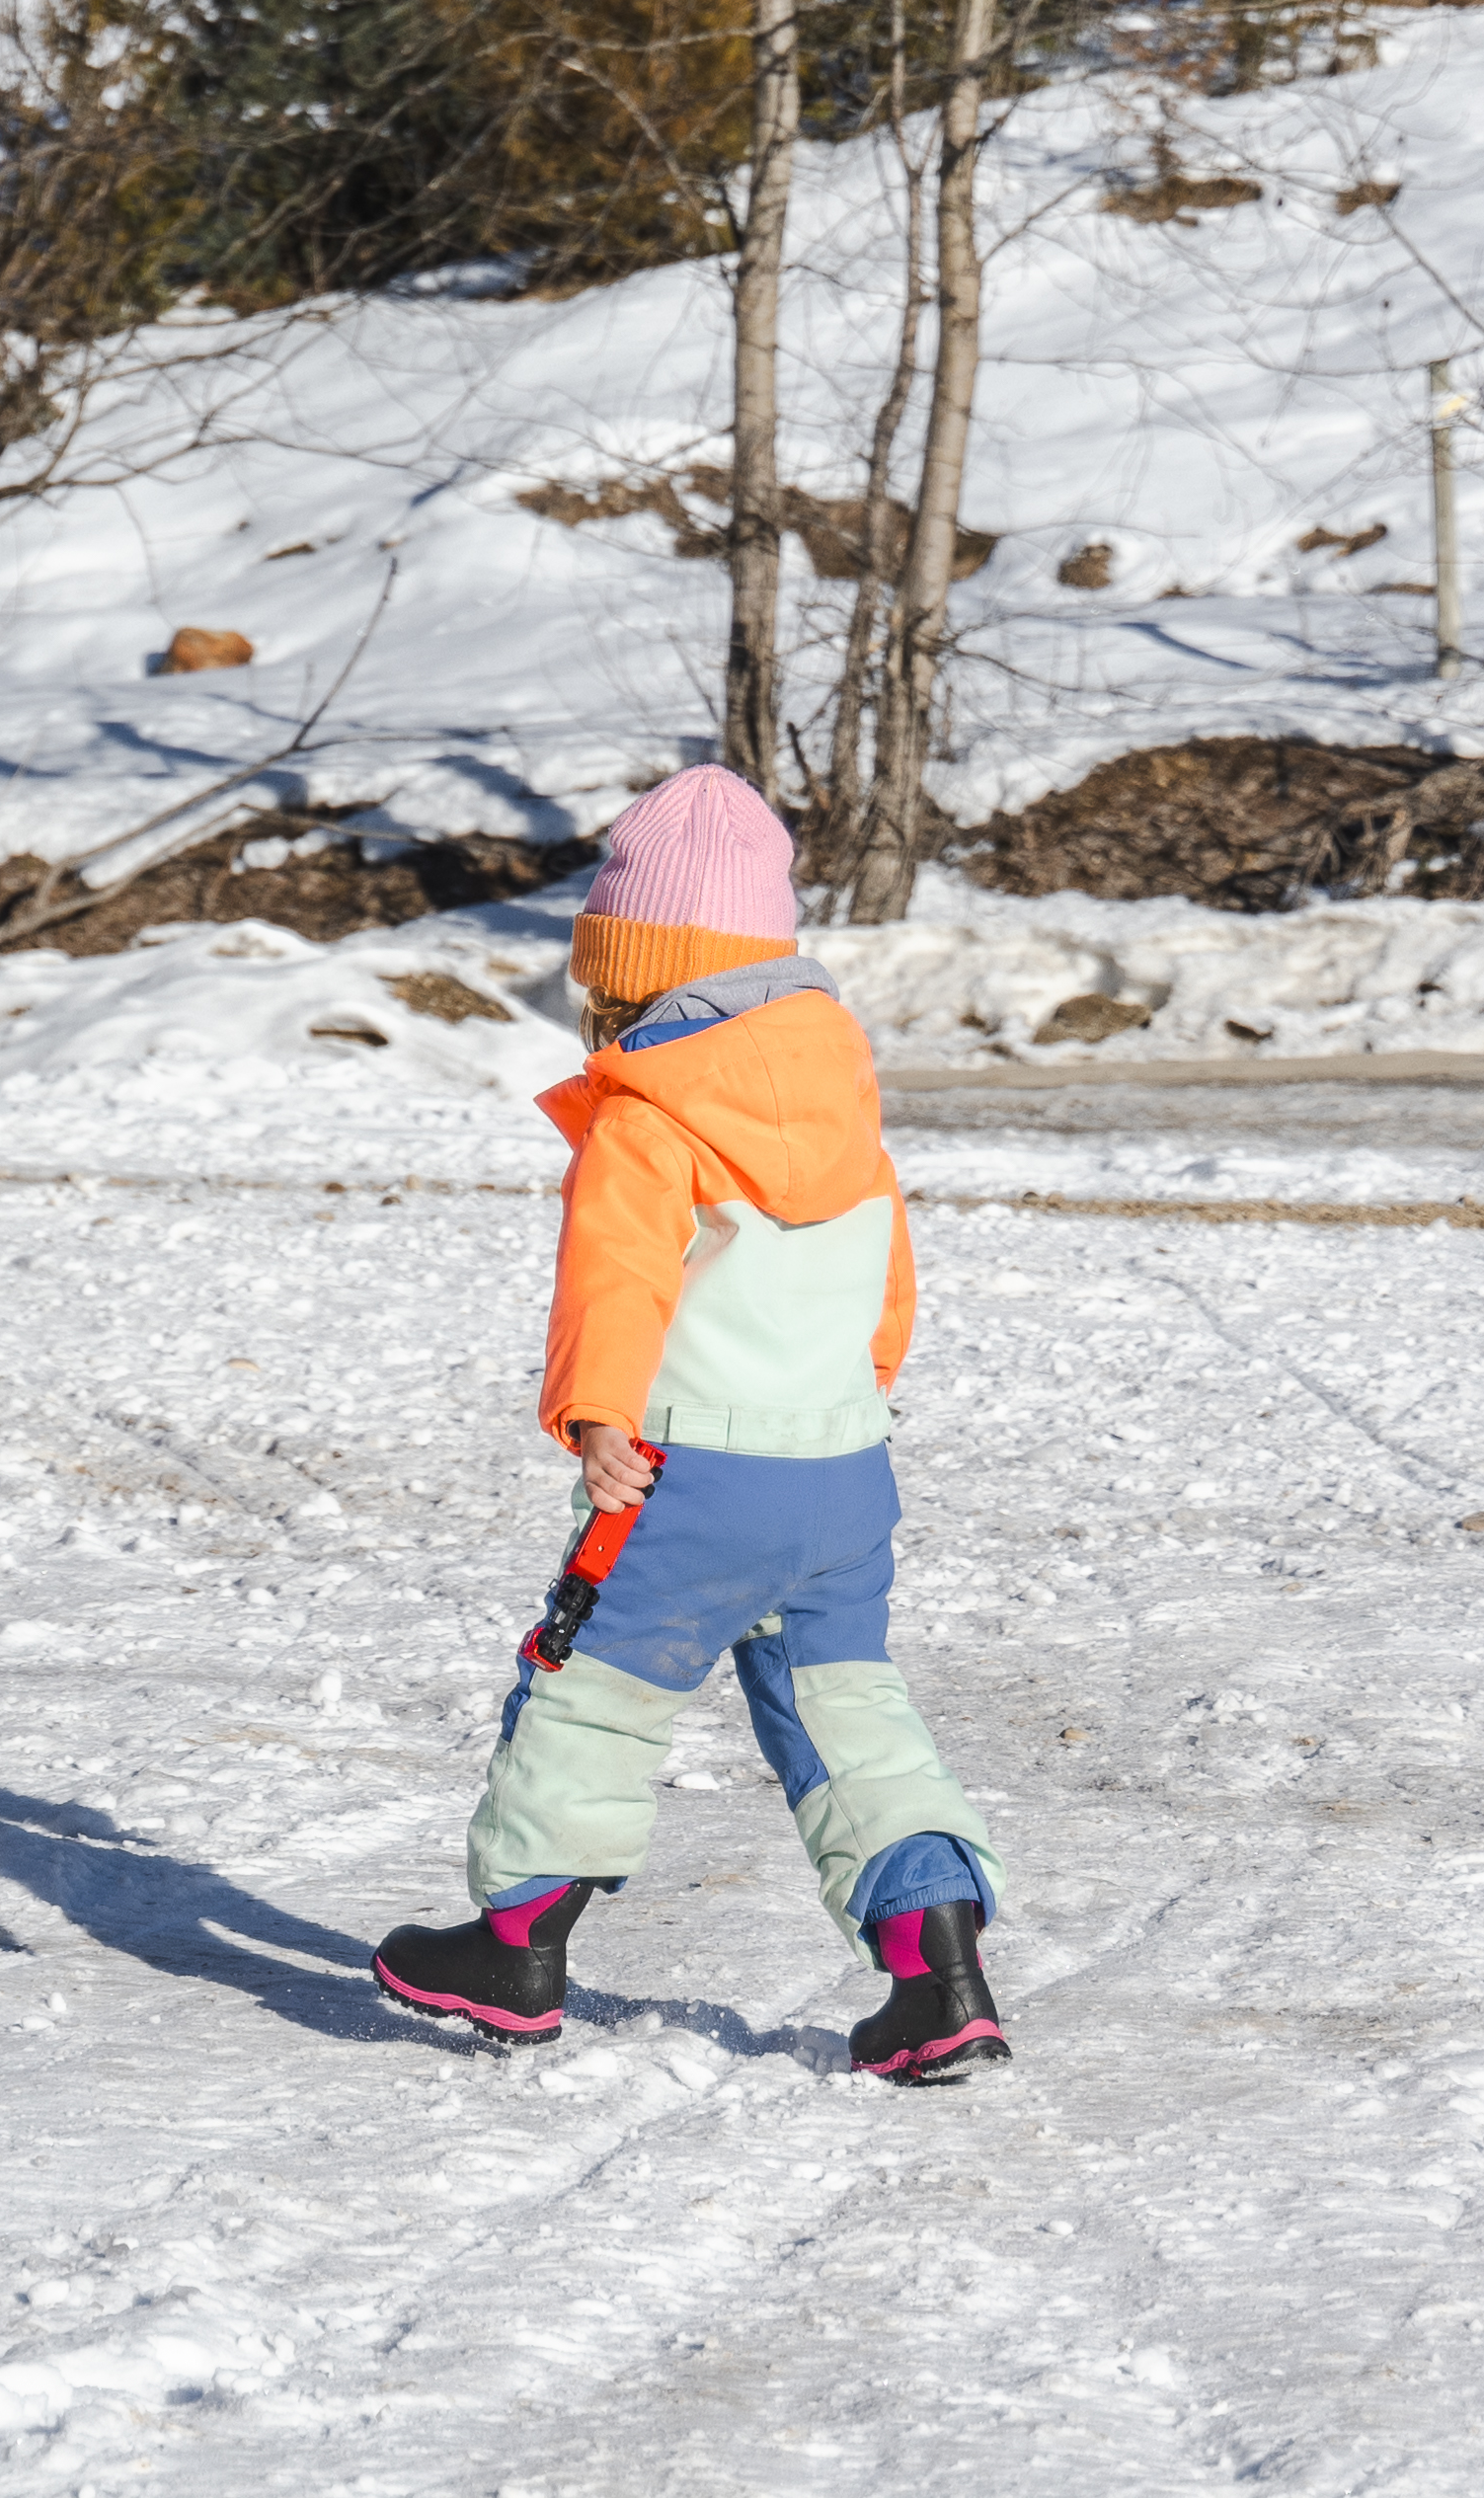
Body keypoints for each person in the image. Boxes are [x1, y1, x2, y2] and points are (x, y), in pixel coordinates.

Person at [371, 765, 1013, 2081]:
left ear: (631, 968)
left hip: (690, 1475)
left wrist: (596, 1411)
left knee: (593, 1695)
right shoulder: (843, 1107)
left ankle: (517, 1947)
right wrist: (852, 1390)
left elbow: (618, 1275)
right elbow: (888, 1291)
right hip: (842, 1467)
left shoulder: (652, 1116)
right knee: (849, 1715)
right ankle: (938, 1972)